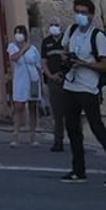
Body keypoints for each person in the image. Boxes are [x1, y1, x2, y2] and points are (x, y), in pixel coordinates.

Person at [59, 0, 106, 186]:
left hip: (88, 88)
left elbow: (105, 65)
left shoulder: (97, 36)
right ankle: (78, 169)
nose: (80, 16)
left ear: (91, 14)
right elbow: (64, 50)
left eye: (84, 12)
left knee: (98, 129)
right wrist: (67, 59)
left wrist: (84, 63)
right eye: (77, 12)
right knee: (72, 129)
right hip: (71, 84)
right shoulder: (71, 30)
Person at [7, 28, 42, 146]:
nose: (18, 35)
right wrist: (23, 49)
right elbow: (14, 58)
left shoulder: (33, 49)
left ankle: (32, 136)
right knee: (18, 107)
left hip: (32, 80)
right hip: (20, 80)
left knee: (33, 107)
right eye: (16, 32)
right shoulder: (12, 47)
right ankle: (16, 134)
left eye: (21, 32)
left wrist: (40, 82)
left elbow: (38, 65)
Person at [39, 24, 69, 154]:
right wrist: (50, 75)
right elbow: (44, 62)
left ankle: (77, 140)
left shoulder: (67, 40)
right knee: (57, 113)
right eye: (51, 25)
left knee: (73, 112)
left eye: (56, 25)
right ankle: (58, 141)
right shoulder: (46, 42)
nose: (53, 27)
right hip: (53, 81)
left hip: (68, 80)